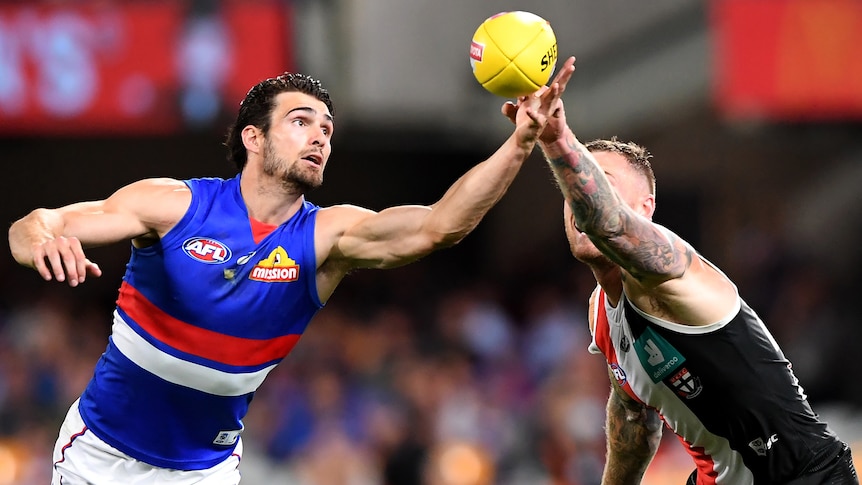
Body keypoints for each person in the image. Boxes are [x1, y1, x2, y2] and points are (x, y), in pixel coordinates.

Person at [7, 60, 575, 484]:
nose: (319, 136)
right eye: (301, 121)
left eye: (326, 129)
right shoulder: (172, 204)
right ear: (253, 139)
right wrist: (40, 244)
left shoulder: (327, 237)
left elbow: (438, 226)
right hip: (99, 456)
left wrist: (521, 141)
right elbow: (37, 221)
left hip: (205, 472)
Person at [502, 75, 859, 483]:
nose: (577, 200)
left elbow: (609, 223)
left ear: (645, 207)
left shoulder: (671, 270)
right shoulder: (600, 310)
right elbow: (632, 420)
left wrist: (555, 138)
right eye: (571, 192)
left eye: (602, 184)